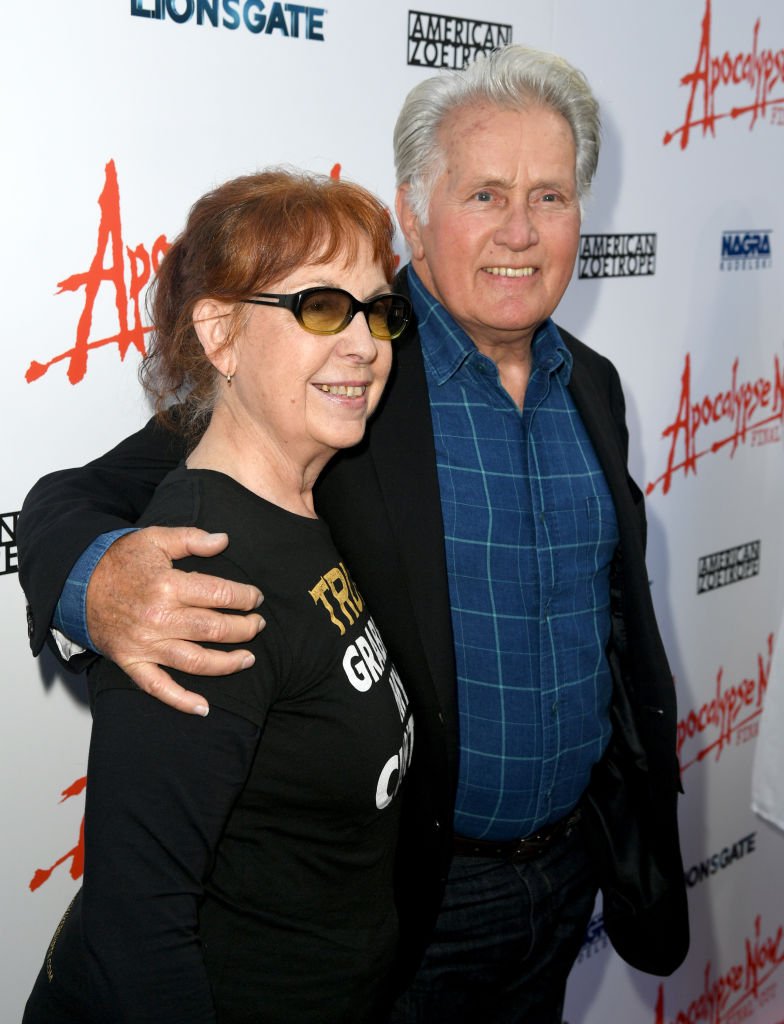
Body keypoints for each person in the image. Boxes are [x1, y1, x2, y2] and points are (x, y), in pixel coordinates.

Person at [19, 46, 689, 1024]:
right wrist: (98, 582)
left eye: (550, 195)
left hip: (569, 877)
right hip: (415, 900)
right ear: (413, 213)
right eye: (485, 194)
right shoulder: (338, 367)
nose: (519, 230)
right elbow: (79, 492)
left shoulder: (591, 382)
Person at [22, 168, 415, 1024]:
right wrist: (94, 584)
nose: (364, 343)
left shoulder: (302, 494)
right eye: (320, 307)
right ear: (221, 334)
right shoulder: (195, 582)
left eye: (380, 312)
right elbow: (140, 936)